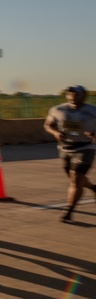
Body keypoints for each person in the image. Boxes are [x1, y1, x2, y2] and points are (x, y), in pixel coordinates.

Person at [43, 85, 96, 223]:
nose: (72, 97)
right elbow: (48, 125)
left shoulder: (93, 111)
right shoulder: (58, 109)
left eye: (76, 94)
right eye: (70, 94)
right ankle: (93, 188)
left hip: (86, 147)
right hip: (65, 148)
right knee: (74, 179)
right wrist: (56, 133)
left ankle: (69, 211)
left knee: (76, 178)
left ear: (84, 96)